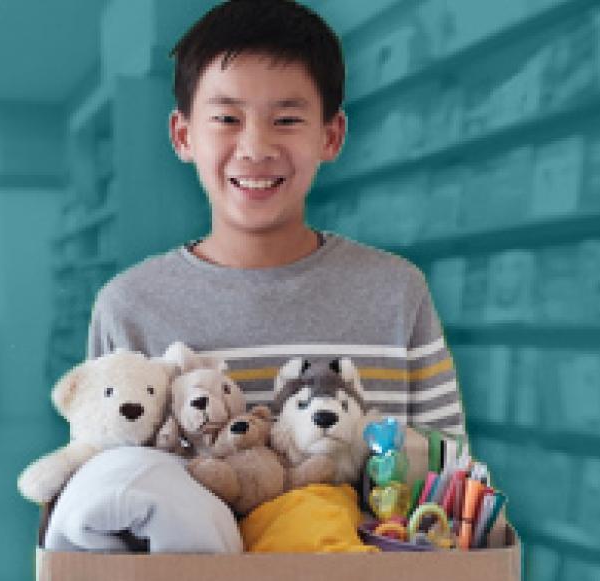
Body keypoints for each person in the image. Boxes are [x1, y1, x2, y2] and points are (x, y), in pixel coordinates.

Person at [87, 0, 467, 438]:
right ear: (183, 135)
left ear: (331, 136)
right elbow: (99, 492)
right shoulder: (128, 308)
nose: (255, 148)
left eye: (286, 119)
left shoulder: (398, 294)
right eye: (227, 118)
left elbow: (451, 485)